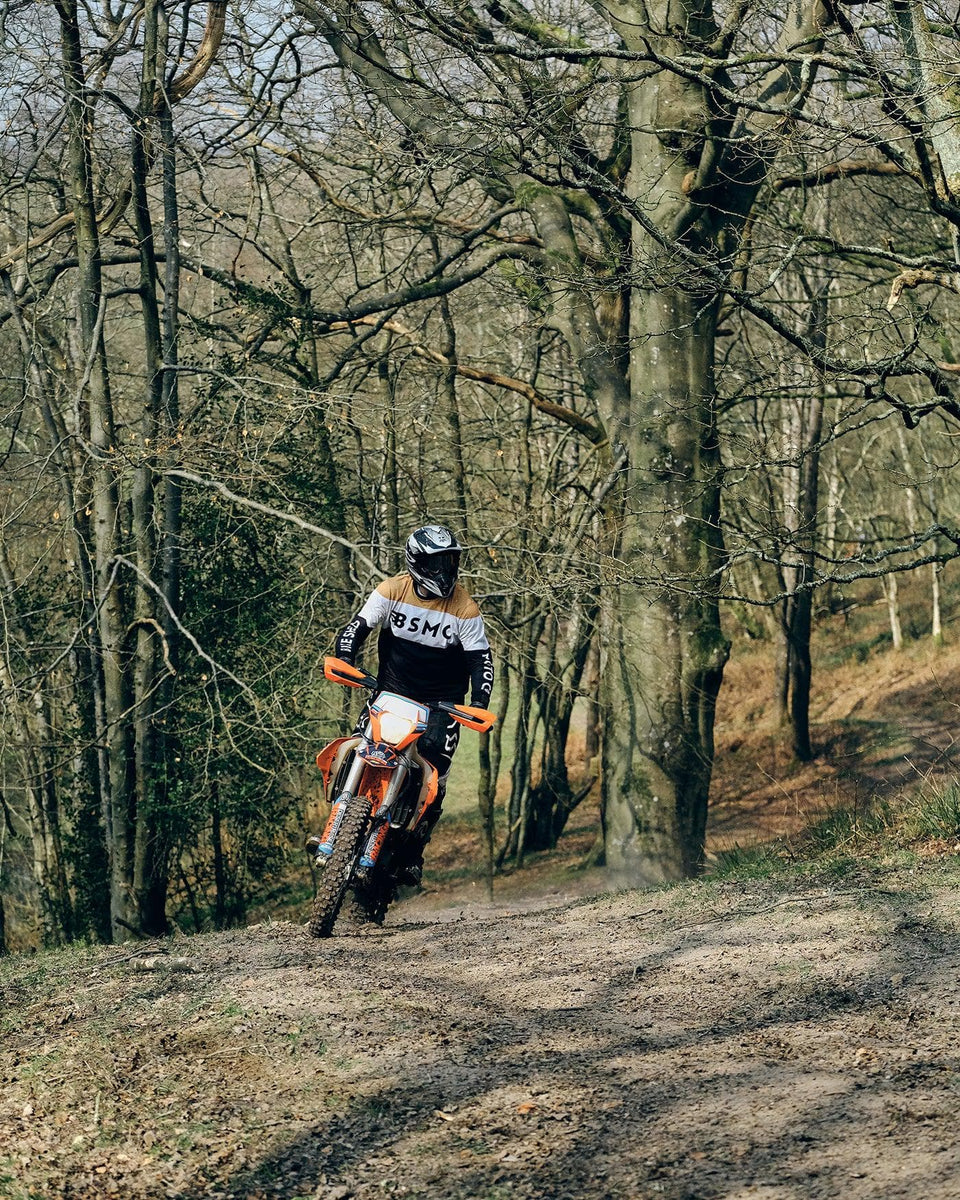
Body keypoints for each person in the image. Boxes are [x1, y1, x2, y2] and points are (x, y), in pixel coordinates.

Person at [331, 524, 494, 885]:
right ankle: (340, 815)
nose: (447, 572)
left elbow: (481, 661)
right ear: (418, 563)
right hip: (391, 691)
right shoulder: (392, 590)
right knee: (357, 745)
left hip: (442, 704)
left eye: (452, 563)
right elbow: (358, 626)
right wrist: (344, 656)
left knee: (435, 772)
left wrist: (479, 703)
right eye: (439, 564)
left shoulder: (464, 609)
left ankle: (413, 851)